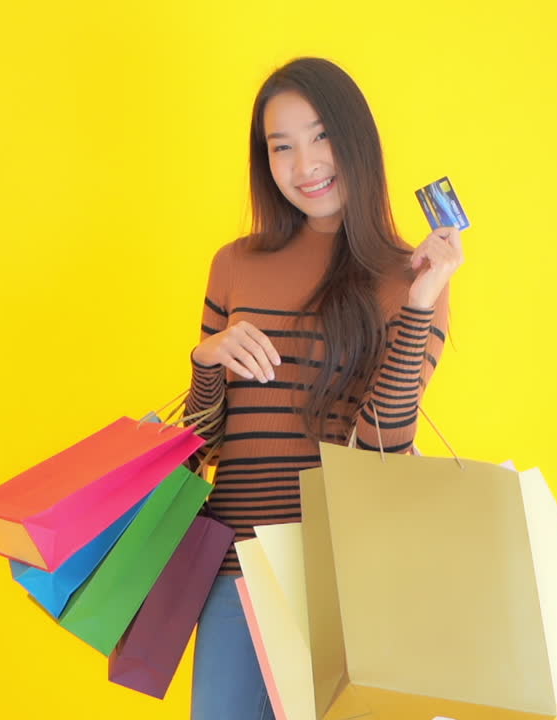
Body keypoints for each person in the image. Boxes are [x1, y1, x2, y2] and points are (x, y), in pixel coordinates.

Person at [183, 57, 464, 720]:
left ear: (356, 140)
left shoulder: (411, 276)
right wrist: (206, 359)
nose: (304, 163)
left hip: (346, 583)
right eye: (281, 147)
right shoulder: (233, 265)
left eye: (320, 137)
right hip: (234, 572)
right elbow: (201, 452)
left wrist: (421, 301)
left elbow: (380, 453)